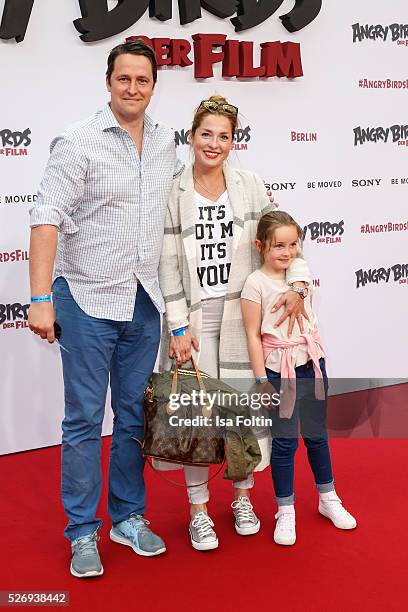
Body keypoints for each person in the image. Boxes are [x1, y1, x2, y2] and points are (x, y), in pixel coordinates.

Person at [28, 40, 183, 577]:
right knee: (83, 421)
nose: (133, 88)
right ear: (109, 81)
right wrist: (40, 297)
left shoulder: (167, 144)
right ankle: (81, 532)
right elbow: (45, 216)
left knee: (134, 417)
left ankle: (128, 517)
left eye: (143, 80)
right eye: (124, 79)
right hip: (89, 299)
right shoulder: (77, 141)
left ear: (153, 86)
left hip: (144, 303)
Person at [158, 96, 311, 551]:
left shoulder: (250, 185)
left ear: (233, 141)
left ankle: (242, 497)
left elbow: (286, 239)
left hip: (244, 319)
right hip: (196, 321)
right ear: (191, 136)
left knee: (243, 417)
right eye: (206, 133)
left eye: (224, 136)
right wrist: (178, 325)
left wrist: (299, 285)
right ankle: (199, 510)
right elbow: (167, 264)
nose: (214, 143)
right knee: (196, 421)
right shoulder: (175, 189)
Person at [241, 210, 357, 546]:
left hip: (312, 364)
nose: (288, 252)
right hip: (279, 371)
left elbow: (301, 271)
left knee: (318, 437)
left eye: (293, 245)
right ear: (260, 245)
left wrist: (301, 286)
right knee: (285, 443)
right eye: (279, 245)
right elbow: (252, 335)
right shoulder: (255, 283)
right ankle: (285, 510)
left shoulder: (298, 276)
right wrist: (262, 380)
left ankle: (328, 498)